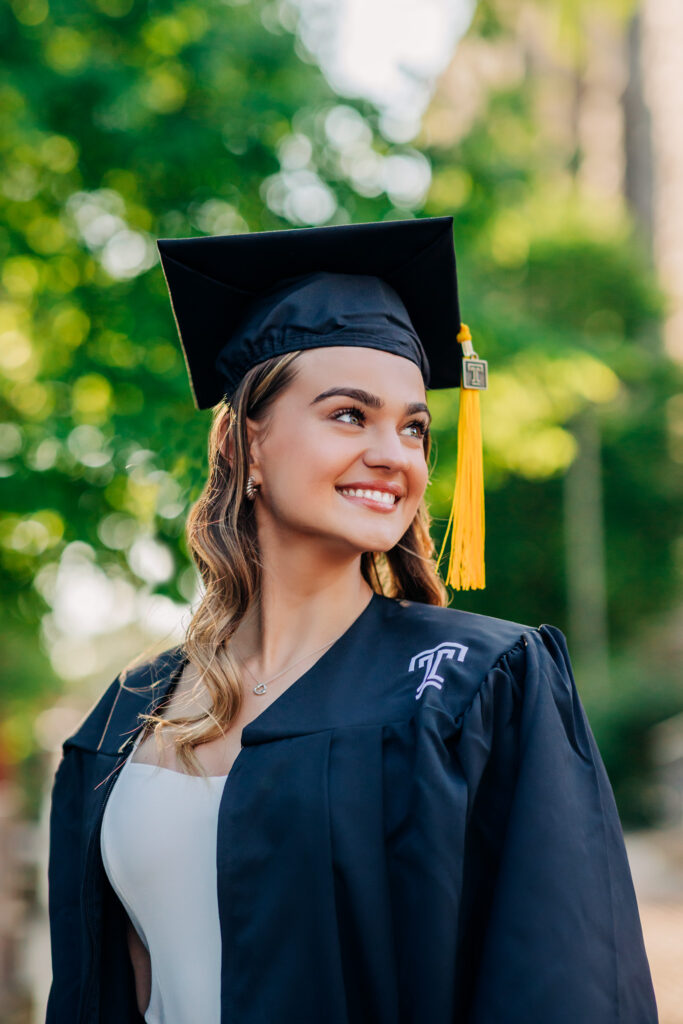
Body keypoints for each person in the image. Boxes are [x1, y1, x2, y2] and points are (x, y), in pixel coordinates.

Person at [45, 215, 658, 1023]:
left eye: (413, 427)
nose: (393, 453)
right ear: (246, 444)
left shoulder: (476, 685)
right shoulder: (131, 712)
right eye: (347, 415)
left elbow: (561, 981)